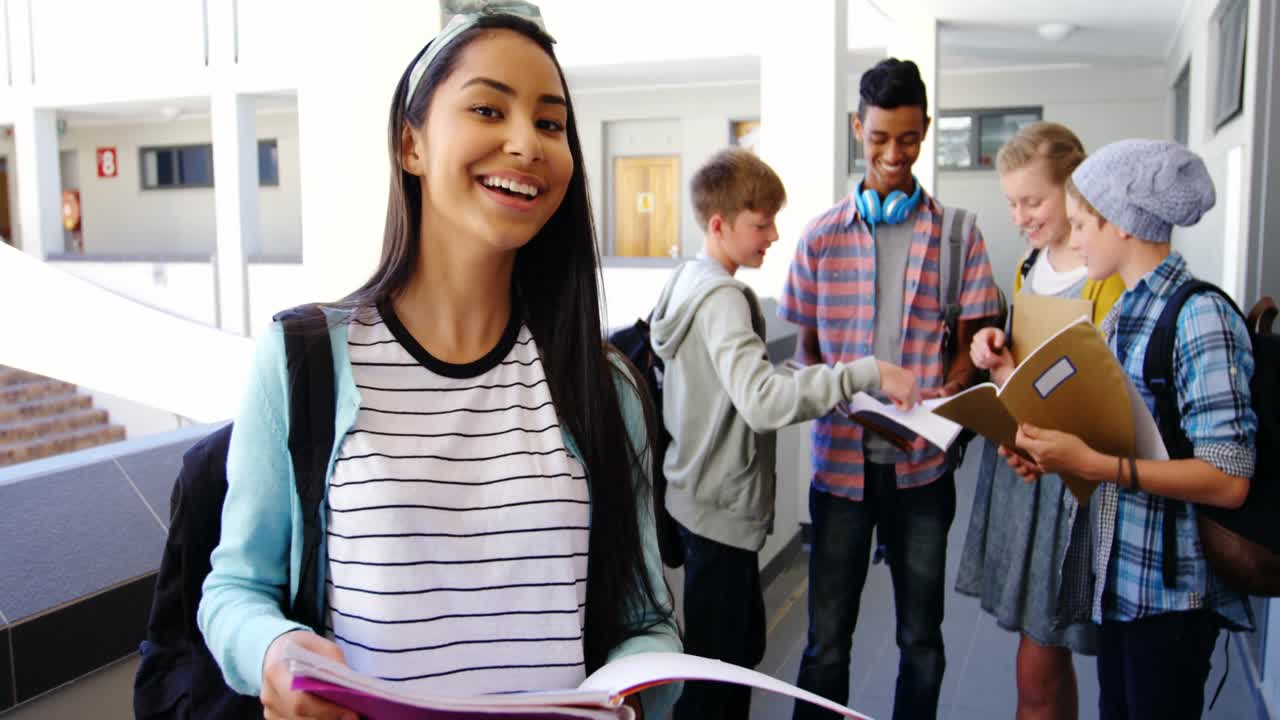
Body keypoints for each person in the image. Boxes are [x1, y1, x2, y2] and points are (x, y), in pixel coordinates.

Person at [197, 5, 680, 719]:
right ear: (410, 143)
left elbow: (647, 623)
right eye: (489, 108)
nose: (527, 144)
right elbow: (234, 589)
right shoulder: (305, 361)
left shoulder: (602, 385)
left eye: (551, 123)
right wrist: (273, 651)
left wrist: (632, 694)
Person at [649, 147, 920, 720]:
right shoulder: (722, 297)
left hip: (695, 498)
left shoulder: (688, 281)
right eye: (760, 222)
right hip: (718, 508)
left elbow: (726, 383)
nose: (773, 235)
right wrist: (865, 371)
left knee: (728, 656)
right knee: (717, 681)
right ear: (718, 224)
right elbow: (762, 403)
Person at [1002, 139, 1256, 720]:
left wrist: (1095, 467)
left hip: (1171, 595)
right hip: (1121, 584)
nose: (1076, 235)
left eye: (1084, 222)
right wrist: (1053, 456)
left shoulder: (1200, 317)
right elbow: (1114, 435)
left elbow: (1228, 478)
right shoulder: (1122, 315)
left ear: (1122, 225)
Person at [779, 58, 1002, 720]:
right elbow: (806, 355)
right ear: (858, 128)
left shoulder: (959, 234)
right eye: (879, 138)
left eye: (908, 139)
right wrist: (847, 393)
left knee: (920, 641)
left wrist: (944, 392)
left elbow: (975, 342)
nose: (894, 154)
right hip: (840, 472)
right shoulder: (820, 237)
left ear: (926, 131)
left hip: (924, 472)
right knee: (824, 646)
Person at [955, 122, 1125, 720]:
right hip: (1024, 469)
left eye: (1033, 201)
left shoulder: (1108, 272)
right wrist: (997, 357)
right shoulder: (1031, 265)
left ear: (1074, 192)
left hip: (1074, 481)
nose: (1020, 215)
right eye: (1011, 203)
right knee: (1043, 653)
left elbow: (1106, 395)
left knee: (1042, 656)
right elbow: (1029, 373)